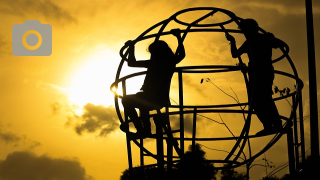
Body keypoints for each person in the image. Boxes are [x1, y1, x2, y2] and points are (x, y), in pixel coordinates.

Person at [121, 28, 185, 138]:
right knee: (133, 101)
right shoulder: (163, 62)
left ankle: (143, 130)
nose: (152, 55)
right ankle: (143, 129)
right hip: (151, 97)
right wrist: (132, 47)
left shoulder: (167, 62)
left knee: (131, 101)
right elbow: (131, 63)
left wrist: (132, 47)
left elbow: (181, 54)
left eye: (154, 53)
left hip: (157, 98)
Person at [225, 19, 283, 135]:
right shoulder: (249, 42)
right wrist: (233, 41)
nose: (244, 33)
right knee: (256, 101)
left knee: (264, 98)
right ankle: (268, 125)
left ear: (251, 29)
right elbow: (235, 54)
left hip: (263, 72)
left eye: (245, 31)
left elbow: (279, 44)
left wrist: (271, 37)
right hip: (255, 73)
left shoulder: (263, 38)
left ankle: (276, 124)